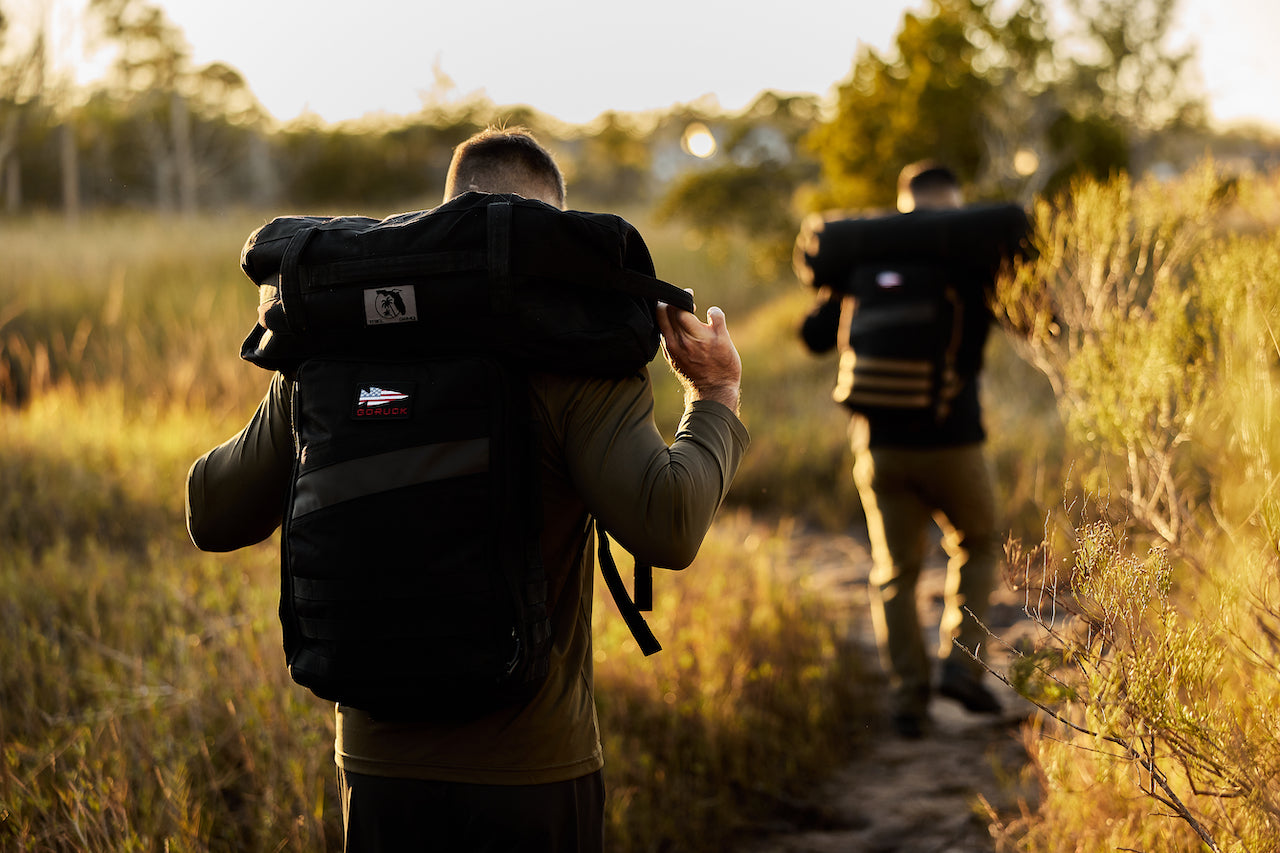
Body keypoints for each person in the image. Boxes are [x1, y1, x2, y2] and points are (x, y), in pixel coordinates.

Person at [186, 127, 749, 851]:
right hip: (534, 770)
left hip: (379, 773)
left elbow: (212, 512)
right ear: (551, 224)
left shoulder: (327, 353)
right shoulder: (575, 354)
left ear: (451, 210)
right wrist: (716, 392)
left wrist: (298, 385)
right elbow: (669, 524)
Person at [799, 161, 1005, 739]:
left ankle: (909, 701)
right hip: (953, 441)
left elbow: (814, 338)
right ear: (955, 204)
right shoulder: (966, 260)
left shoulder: (865, 258)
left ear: (903, 203)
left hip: (879, 447)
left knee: (895, 571)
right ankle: (961, 668)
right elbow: (1024, 320)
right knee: (979, 541)